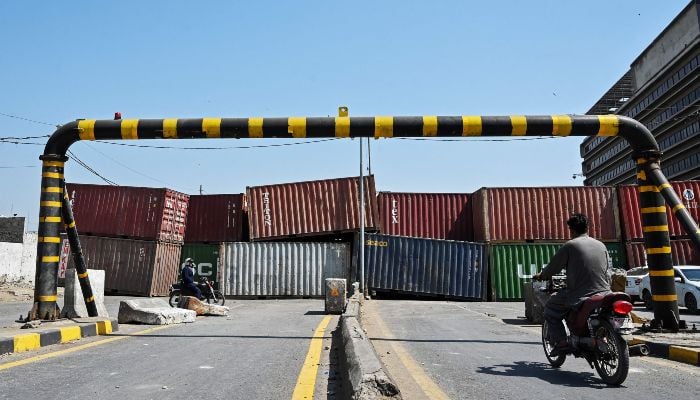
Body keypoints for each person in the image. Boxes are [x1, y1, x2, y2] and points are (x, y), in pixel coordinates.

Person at [533, 213, 611, 356]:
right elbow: (607, 270)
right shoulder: (601, 245)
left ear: (572, 230)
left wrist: (541, 275)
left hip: (580, 293)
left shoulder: (570, 246)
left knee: (551, 309)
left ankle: (562, 343)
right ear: (587, 228)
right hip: (605, 292)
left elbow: (553, 268)